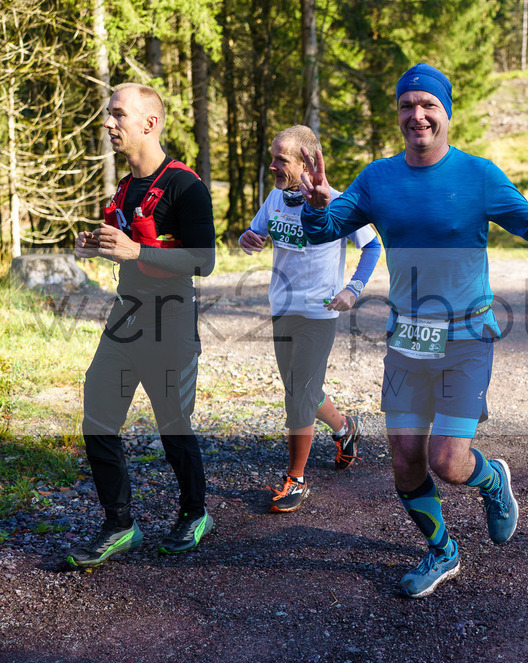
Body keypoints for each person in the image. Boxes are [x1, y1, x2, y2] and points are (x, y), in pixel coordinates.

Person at [298, 63, 528, 598]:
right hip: (407, 339)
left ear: (446, 112)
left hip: (465, 337)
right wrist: (318, 206)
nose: (418, 115)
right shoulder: (377, 179)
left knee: (448, 461)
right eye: (407, 105)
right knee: (405, 461)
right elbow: (325, 230)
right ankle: (442, 550)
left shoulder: (478, 176)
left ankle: (491, 479)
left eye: (428, 105)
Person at [69, 83, 216, 568]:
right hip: (125, 317)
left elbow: (205, 261)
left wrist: (136, 251)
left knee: (172, 421)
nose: (109, 124)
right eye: (109, 115)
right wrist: (99, 244)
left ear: (149, 124)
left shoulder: (185, 186)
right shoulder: (126, 185)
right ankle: (119, 525)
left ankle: (195, 513)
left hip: (170, 320)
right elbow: (130, 240)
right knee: (97, 417)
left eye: (118, 115)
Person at [239, 125, 380, 513]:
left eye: (280, 159)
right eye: (273, 157)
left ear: (307, 163)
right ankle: (344, 428)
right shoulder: (274, 198)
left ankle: (296, 479)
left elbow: (372, 246)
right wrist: (247, 239)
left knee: (299, 392)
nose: (272, 166)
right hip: (281, 307)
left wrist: (352, 288)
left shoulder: (336, 202)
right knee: (301, 386)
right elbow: (255, 233)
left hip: (320, 311)